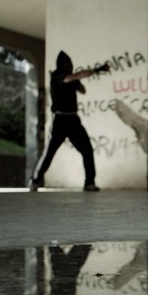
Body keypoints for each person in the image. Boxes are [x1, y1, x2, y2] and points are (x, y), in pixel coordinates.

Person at [29, 51, 110, 192]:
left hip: (73, 120)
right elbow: (75, 76)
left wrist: (77, 82)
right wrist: (97, 70)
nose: (68, 67)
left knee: (87, 149)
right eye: (66, 65)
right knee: (49, 153)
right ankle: (36, 181)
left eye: (69, 64)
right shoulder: (57, 75)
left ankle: (89, 182)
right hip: (60, 120)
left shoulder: (72, 79)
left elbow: (83, 90)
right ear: (60, 66)